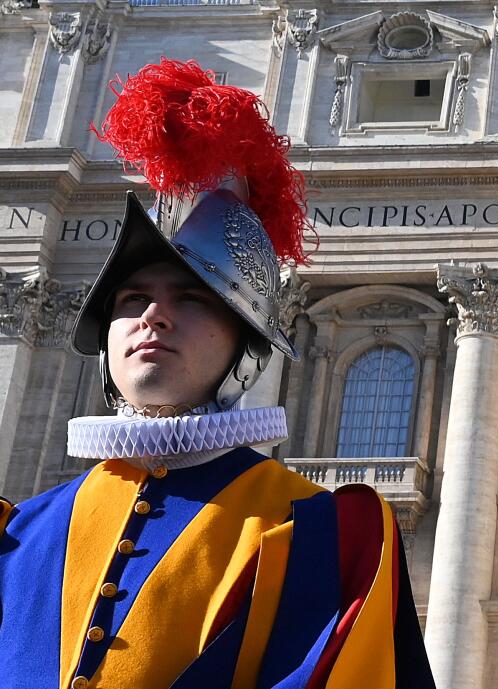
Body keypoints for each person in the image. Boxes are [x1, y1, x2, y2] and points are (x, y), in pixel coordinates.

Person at [0, 59, 436, 689]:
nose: (153, 316)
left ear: (243, 348)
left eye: (193, 299)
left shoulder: (323, 533)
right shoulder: (16, 532)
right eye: (130, 301)